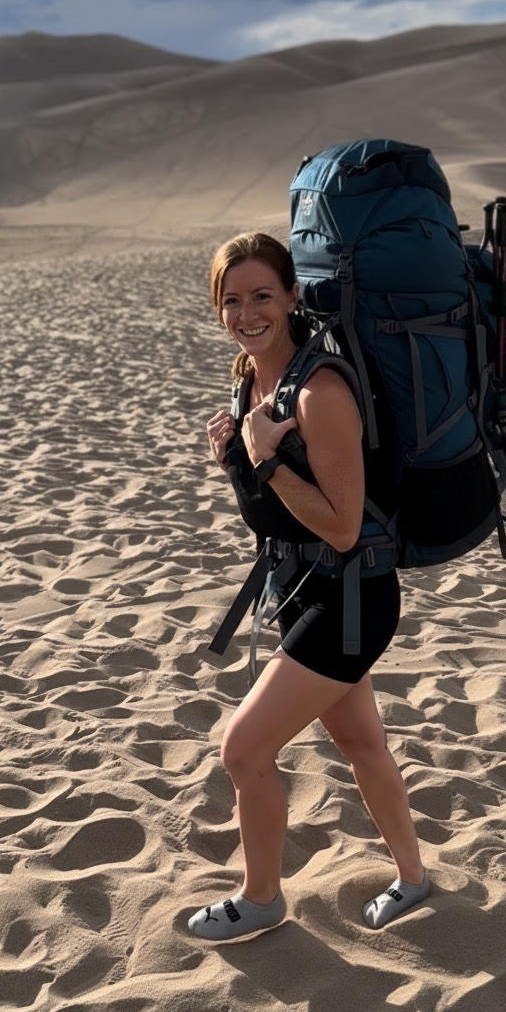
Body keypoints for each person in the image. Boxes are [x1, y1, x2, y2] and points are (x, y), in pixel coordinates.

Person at [189, 231, 430, 941]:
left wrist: (264, 459)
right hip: (304, 592)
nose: (247, 311)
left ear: (294, 296)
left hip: (348, 600)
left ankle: (261, 899)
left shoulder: (320, 389)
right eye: (232, 299)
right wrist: (236, 457)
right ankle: (414, 879)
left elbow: (344, 525)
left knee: (242, 749)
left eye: (263, 295)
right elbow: (277, 505)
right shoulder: (250, 378)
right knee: (362, 744)